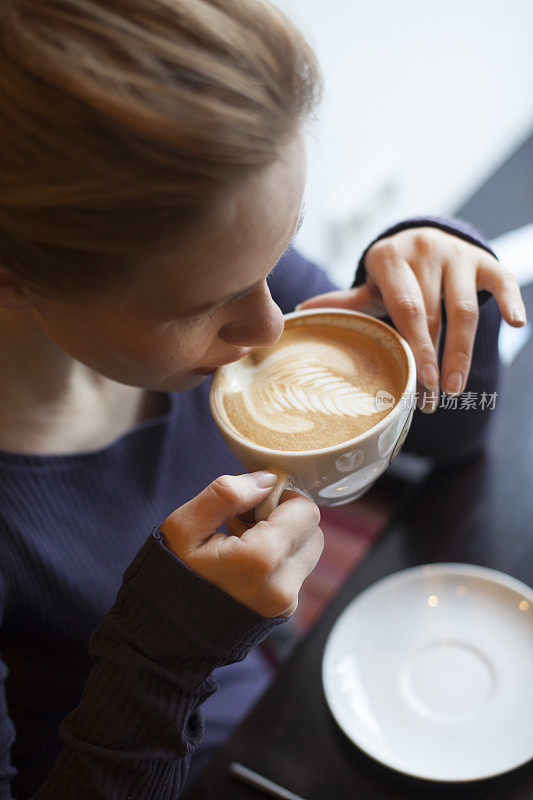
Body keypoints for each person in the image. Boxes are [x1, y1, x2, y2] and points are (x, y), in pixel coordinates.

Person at [0, 0, 525, 797]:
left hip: (279, 683)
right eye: (201, 307)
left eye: (278, 252)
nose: (272, 322)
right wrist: (165, 657)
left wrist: (450, 311)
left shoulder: (224, 272)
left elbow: (446, 441)